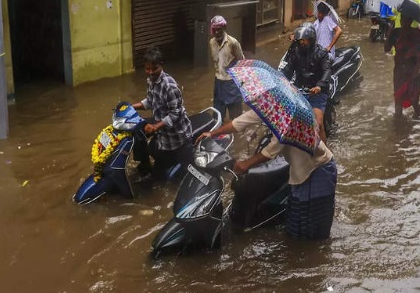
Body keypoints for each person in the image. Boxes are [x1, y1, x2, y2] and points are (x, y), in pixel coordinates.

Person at [197, 111, 337, 240]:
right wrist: (213, 133)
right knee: (296, 222)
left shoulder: (287, 117)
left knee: (312, 226)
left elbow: (273, 149)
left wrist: (246, 164)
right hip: (300, 171)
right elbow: (240, 122)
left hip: (317, 169)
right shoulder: (269, 106)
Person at [129, 47, 193, 179]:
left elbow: (176, 114)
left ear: (161, 65)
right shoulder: (150, 81)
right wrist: (131, 107)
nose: (150, 72)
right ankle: (144, 165)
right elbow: (150, 100)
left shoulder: (170, 87)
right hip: (162, 131)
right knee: (137, 130)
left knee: (185, 175)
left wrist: (155, 127)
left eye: (154, 69)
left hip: (177, 136)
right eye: (148, 69)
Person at [281, 24, 332, 141]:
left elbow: (327, 70)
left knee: (318, 124)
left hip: (317, 93)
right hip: (299, 91)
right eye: (300, 40)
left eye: (305, 41)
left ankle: (326, 155)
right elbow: (288, 70)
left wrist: (319, 86)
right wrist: (281, 80)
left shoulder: (321, 53)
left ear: (311, 40)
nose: (302, 43)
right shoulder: (295, 53)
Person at [385, 15, 420, 117]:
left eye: (407, 19)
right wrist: (389, 34)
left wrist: (417, 68)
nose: (405, 21)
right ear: (400, 20)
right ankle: (398, 127)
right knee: (398, 101)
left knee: (414, 101)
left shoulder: (416, 33)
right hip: (399, 71)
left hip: (414, 71)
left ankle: (418, 124)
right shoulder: (395, 32)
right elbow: (386, 49)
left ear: (410, 21)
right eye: (403, 19)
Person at [208, 15, 244, 121]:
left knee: (236, 118)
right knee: (217, 115)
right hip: (218, 82)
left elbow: (241, 61)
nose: (216, 32)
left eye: (219, 30)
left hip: (232, 82)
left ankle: (236, 136)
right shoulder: (212, 43)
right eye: (214, 30)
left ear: (224, 28)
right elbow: (216, 63)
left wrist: (241, 83)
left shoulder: (233, 43)